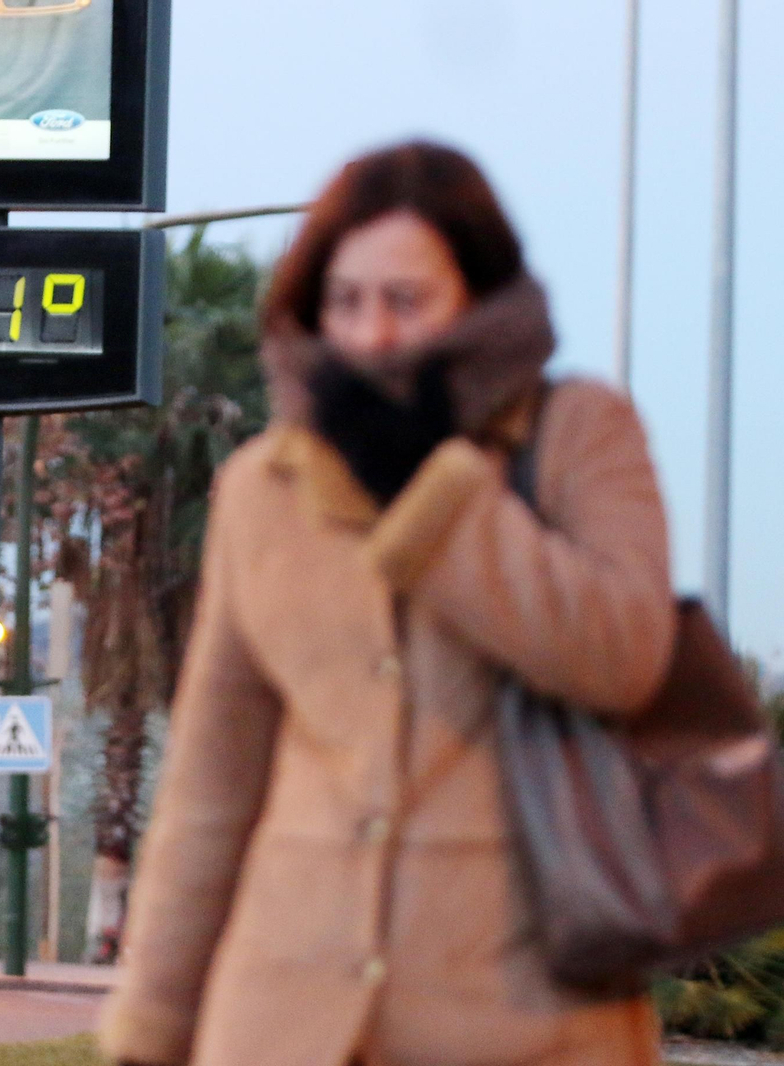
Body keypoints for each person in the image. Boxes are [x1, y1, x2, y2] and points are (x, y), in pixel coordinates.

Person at [98, 141, 675, 1066]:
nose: (371, 336)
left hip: (524, 1020)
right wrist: (150, 1031)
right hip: (281, 1020)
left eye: (406, 301)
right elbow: (213, 781)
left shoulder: (576, 435)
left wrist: (430, 495)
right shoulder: (265, 486)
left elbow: (623, 655)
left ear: (478, 300)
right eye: (347, 301)